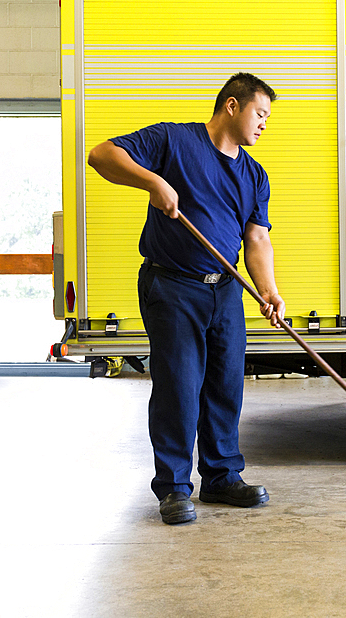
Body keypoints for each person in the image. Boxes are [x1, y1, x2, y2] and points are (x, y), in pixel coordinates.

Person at [88, 72, 285, 525]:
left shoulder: (254, 174)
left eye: (268, 118)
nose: (264, 124)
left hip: (227, 289)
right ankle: (174, 488)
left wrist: (269, 290)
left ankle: (220, 477)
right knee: (179, 387)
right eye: (260, 114)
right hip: (173, 285)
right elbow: (102, 155)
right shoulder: (174, 142)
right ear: (232, 107)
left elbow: (256, 239)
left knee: (225, 385)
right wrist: (151, 183)